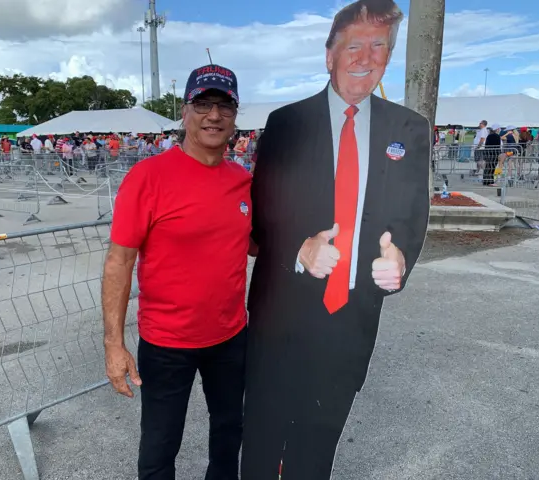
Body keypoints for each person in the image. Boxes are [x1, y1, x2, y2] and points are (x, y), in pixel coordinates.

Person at [241, 1, 431, 478]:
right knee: (263, 440)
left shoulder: (409, 129)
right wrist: (299, 250)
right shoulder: (286, 125)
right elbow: (261, 220)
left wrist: (401, 257)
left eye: (379, 46)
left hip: (350, 318)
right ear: (330, 55)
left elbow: (413, 215)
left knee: (318, 445)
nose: (366, 57)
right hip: (280, 310)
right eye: (354, 45)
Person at [102, 64, 251, 480]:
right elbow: (119, 262)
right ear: (185, 112)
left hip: (230, 337)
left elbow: (258, 241)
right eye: (203, 104)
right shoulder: (147, 177)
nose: (214, 116)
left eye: (224, 106)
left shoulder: (242, 180)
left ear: (235, 116)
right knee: (159, 447)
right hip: (167, 343)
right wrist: (114, 345)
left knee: (229, 435)